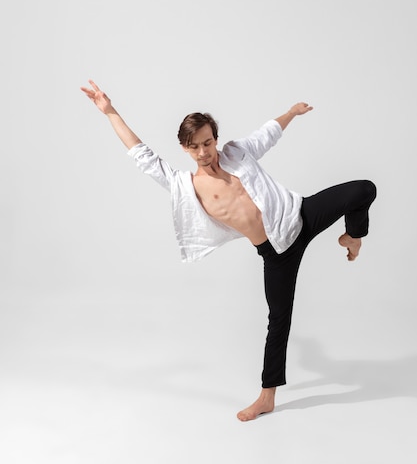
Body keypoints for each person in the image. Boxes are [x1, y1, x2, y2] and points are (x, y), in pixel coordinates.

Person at [81, 80, 377, 421]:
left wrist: (292, 113)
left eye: (208, 142)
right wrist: (110, 111)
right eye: (195, 147)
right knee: (278, 321)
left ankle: (353, 237)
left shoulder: (237, 152)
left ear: (215, 138)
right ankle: (267, 397)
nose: (204, 152)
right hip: (275, 253)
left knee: (363, 189)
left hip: (301, 215)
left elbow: (268, 133)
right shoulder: (184, 186)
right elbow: (142, 156)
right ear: (185, 148)